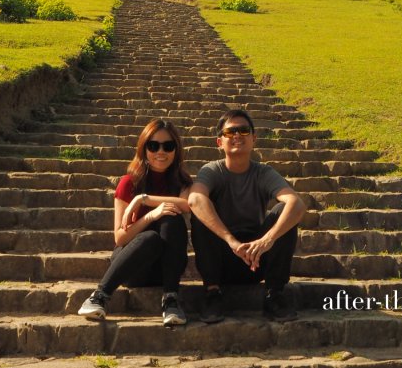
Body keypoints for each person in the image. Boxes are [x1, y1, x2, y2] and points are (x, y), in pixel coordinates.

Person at [188, 108, 306, 323]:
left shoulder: (263, 172)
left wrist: (266, 240)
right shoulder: (212, 171)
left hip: (255, 259)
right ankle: (212, 293)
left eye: (243, 131)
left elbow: (296, 203)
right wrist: (231, 241)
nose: (237, 136)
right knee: (200, 212)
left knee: (283, 212)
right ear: (219, 142)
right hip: (221, 260)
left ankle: (275, 294)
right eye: (230, 132)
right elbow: (194, 199)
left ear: (253, 139)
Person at [77, 118, 193, 326]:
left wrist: (143, 199)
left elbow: (187, 204)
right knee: (150, 238)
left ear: (176, 150)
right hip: (133, 266)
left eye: (168, 146)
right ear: (143, 148)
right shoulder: (129, 182)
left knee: (171, 218)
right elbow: (120, 237)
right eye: (153, 145)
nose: (161, 151)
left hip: (167, 269)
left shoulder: (182, 181)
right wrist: (150, 216)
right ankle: (100, 296)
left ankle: (171, 299)